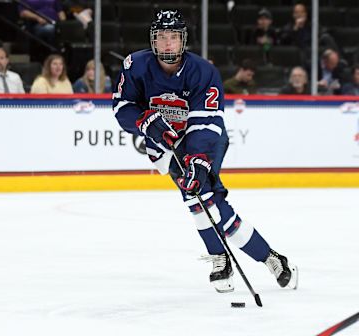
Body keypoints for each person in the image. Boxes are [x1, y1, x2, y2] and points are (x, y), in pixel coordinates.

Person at [112, 9, 298, 293]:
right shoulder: (135, 65)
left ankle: (245, 258)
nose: (167, 44)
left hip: (207, 140)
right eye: (162, 37)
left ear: (183, 40)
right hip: (166, 144)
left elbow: (206, 123)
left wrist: (198, 161)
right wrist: (145, 122)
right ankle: (267, 258)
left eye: (173, 37)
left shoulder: (203, 71)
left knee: (202, 195)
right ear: (153, 40)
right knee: (196, 199)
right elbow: (122, 107)